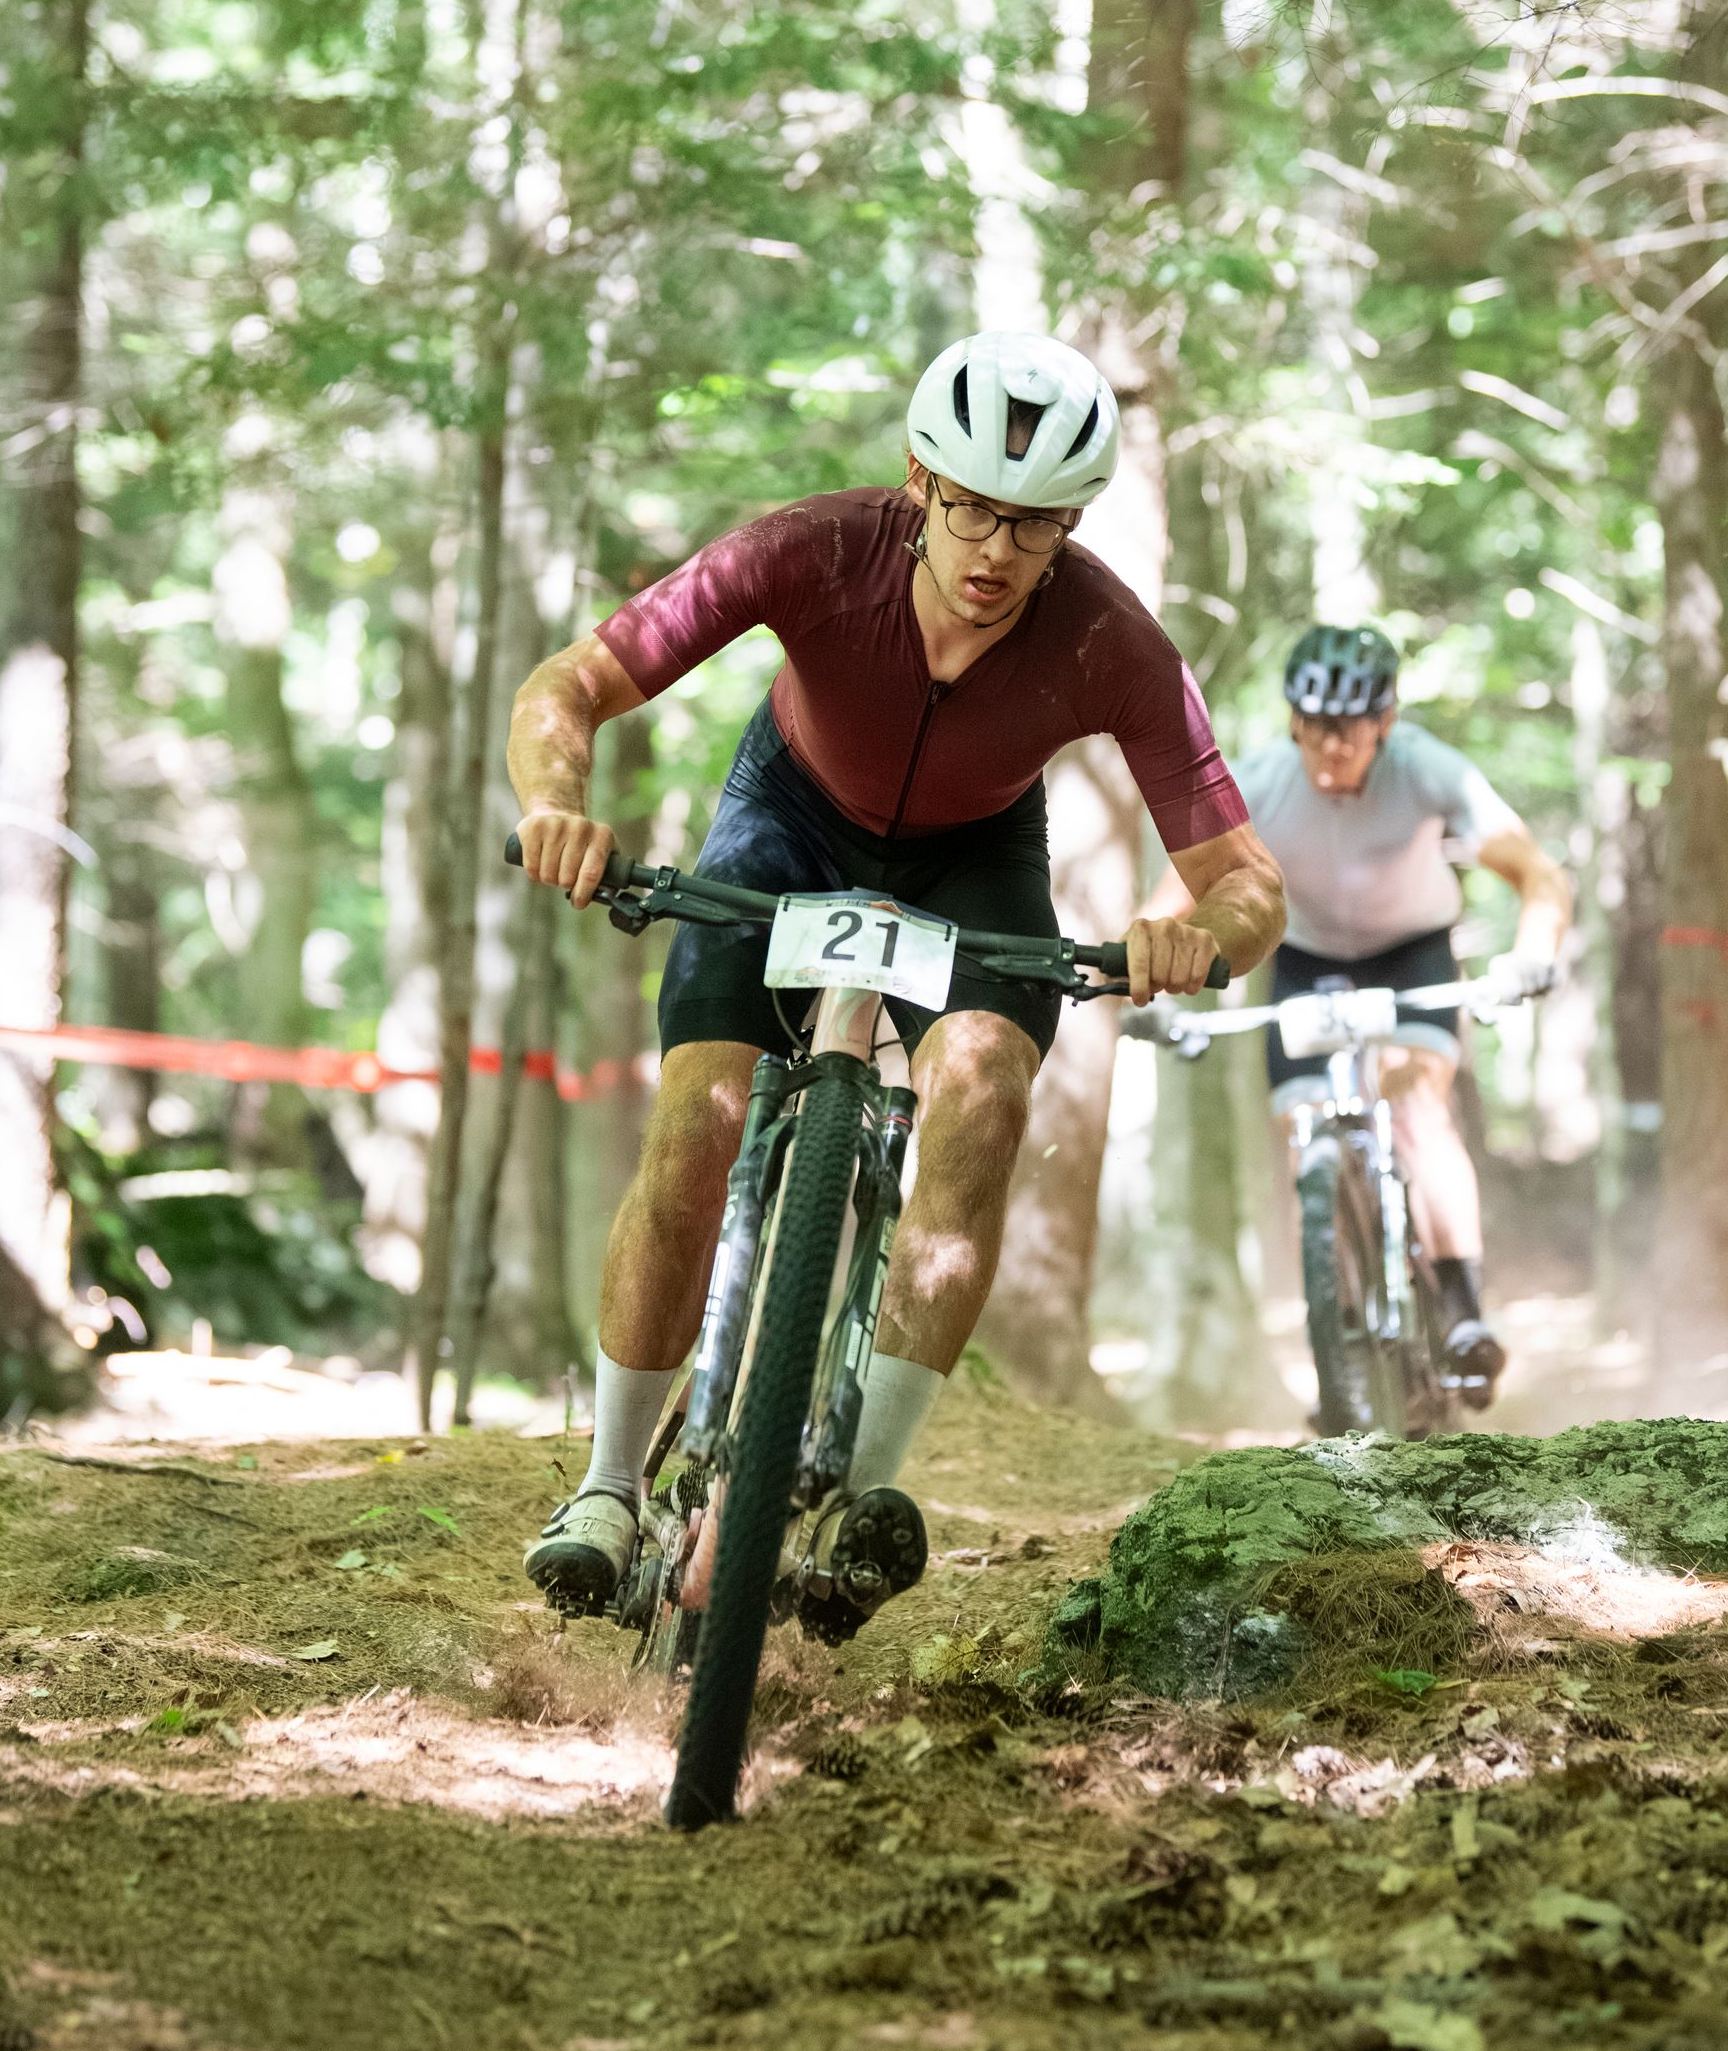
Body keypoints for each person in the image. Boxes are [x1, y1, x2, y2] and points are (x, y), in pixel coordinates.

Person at [506, 331, 1285, 1637]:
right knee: (698, 1120)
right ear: (919, 479)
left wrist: (1194, 929)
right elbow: (571, 683)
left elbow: (1246, 874)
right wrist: (556, 802)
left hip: (972, 862)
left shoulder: (1110, 638)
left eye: (1032, 527)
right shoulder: (808, 551)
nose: (994, 552)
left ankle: (857, 1493)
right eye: (972, 507)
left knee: (979, 1099)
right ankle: (603, 1489)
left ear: (1071, 527)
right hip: (787, 819)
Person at [1152, 623, 1571, 1407]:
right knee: (1306, 1128)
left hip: (1411, 952)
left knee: (1415, 1101)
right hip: (1307, 963)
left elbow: (1537, 873)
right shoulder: (1260, 784)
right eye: (1313, 729)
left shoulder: (1428, 771)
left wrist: (1534, 950)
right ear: (1291, 722)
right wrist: (1145, 969)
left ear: (1385, 722)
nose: (1330, 749)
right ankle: (1341, 1340)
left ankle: (1460, 1311)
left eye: (1348, 731)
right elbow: (1175, 897)